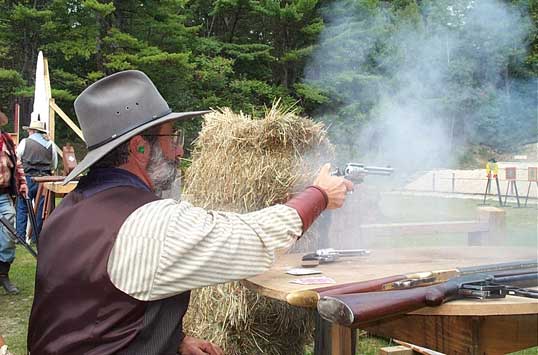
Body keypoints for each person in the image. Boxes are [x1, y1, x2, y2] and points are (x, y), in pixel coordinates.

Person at [27, 70, 353, 355]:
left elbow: (96, 311)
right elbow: (253, 240)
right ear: (140, 148)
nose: (180, 150)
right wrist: (320, 194)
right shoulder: (149, 222)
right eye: (173, 138)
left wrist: (174, 340)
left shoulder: (65, 211)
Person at [0, 110, 28, 295]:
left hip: (3, 194)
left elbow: (17, 164)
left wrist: (23, 183)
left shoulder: (6, 139)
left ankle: (3, 274)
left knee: (9, 232)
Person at [15, 120, 58, 243]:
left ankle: (20, 236)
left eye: (29, 130)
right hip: (44, 180)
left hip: (28, 178)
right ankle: (35, 237)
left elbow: (17, 159)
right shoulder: (51, 144)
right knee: (40, 209)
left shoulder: (25, 142)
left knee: (22, 207)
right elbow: (54, 165)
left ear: (32, 131)